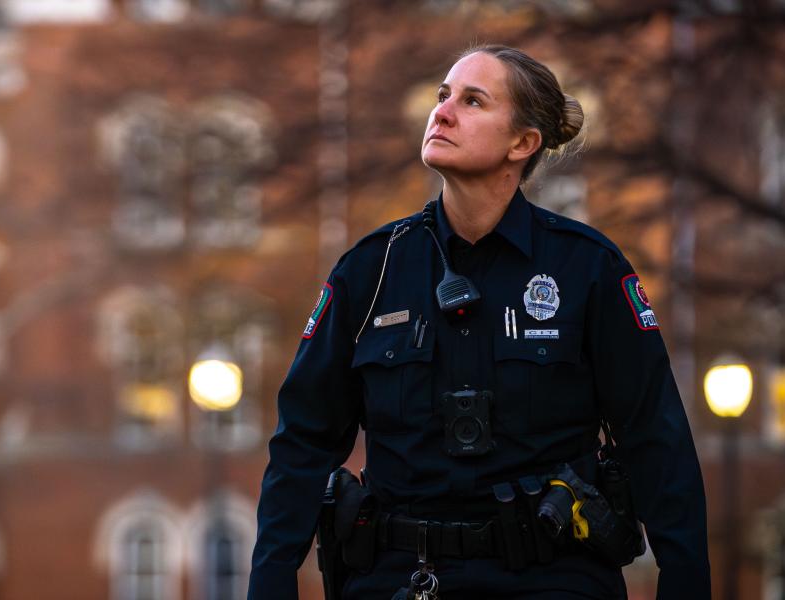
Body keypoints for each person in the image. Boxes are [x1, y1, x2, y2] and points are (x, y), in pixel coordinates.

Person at [248, 44, 710, 599]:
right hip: (400, 579)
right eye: (443, 96)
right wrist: (270, 584)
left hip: (550, 579)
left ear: (523, 143)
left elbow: (655, 441)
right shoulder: (371, 271)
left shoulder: (587, 268)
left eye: (472, 101)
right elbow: (302, 442)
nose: (441, 111)